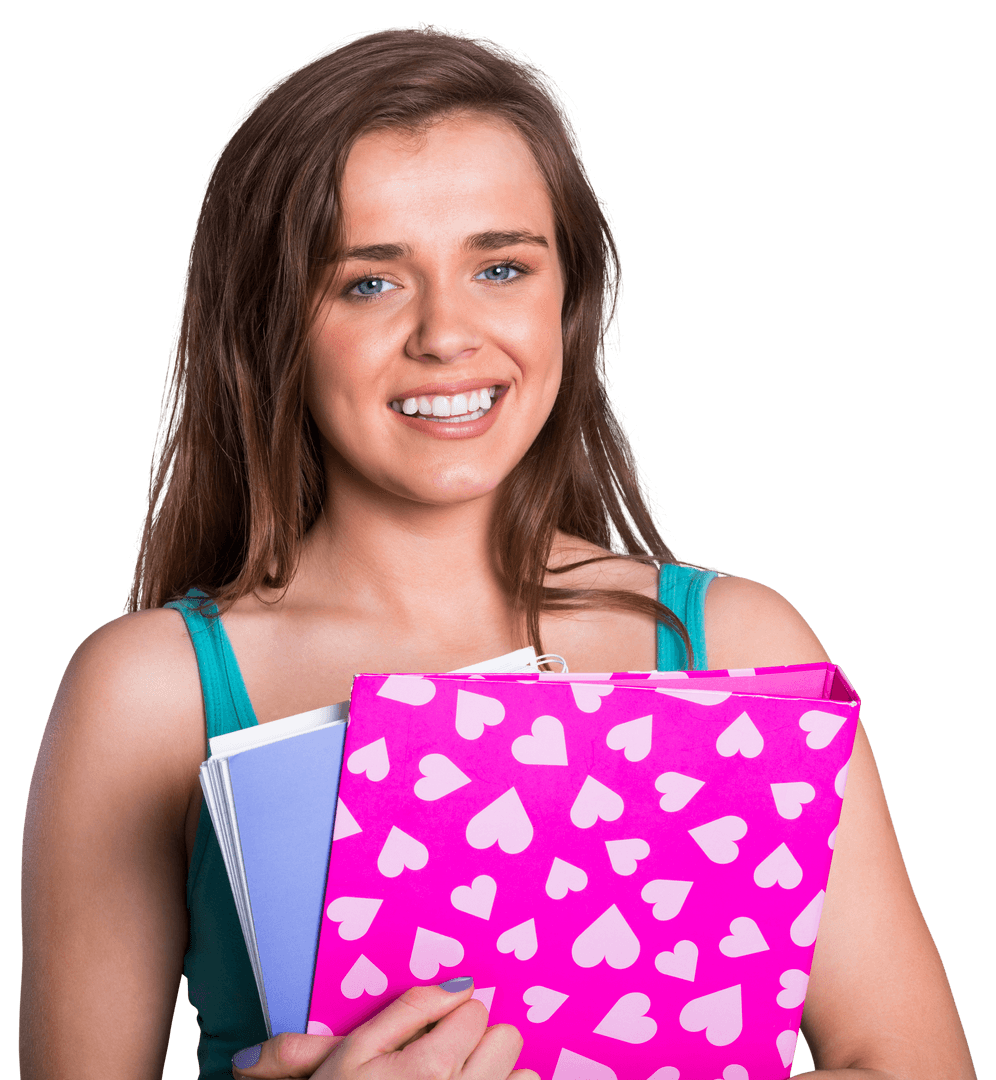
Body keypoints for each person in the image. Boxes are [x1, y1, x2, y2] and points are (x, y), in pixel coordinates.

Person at [20, 25, 975, 1080]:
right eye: (369, 283)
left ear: (570, 299)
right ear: (270, 323)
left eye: (502, 266)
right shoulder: (149, 694)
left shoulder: (734, 647)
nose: (446, 333)